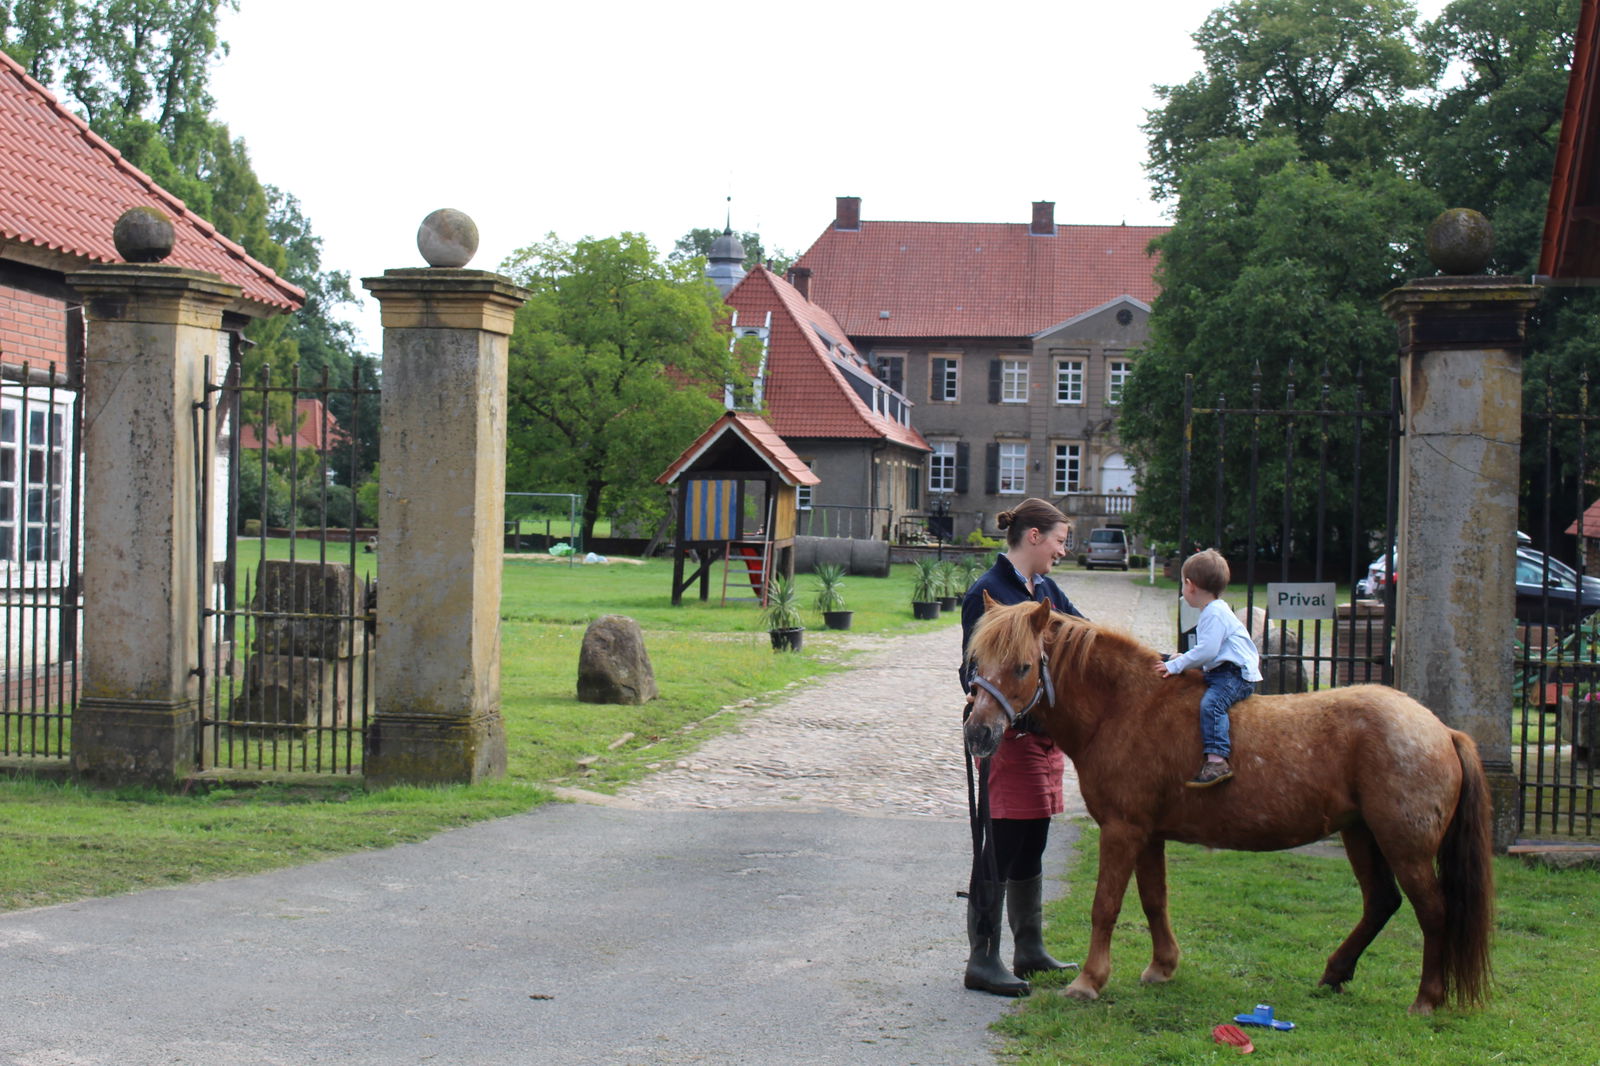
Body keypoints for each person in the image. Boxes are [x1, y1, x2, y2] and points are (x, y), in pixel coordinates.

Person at [959, 497, 1080, 996]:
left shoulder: (1045, 590)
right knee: (1002, 848)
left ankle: (1028, 949)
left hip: (1045, 739)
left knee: (1034, 844)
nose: (1061, 550)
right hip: (1009, 739)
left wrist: (1163, 661)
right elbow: (972, 670)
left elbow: (1084, 638)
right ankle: (982, 959)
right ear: (1034, 536)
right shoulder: (990, 592)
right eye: (1059, 540)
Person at [1153, 548, 1262, 788]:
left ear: (1190, 585)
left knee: (1212, 704)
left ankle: (1217, 761)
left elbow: (1208, 651)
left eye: (1182, 583)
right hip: (1223, 670)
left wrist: (1176, 664)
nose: (1183, 589)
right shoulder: (1213, 610)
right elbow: (1208, 650)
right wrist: (1184, 657)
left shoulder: (1214, 613)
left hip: (1234, 675)